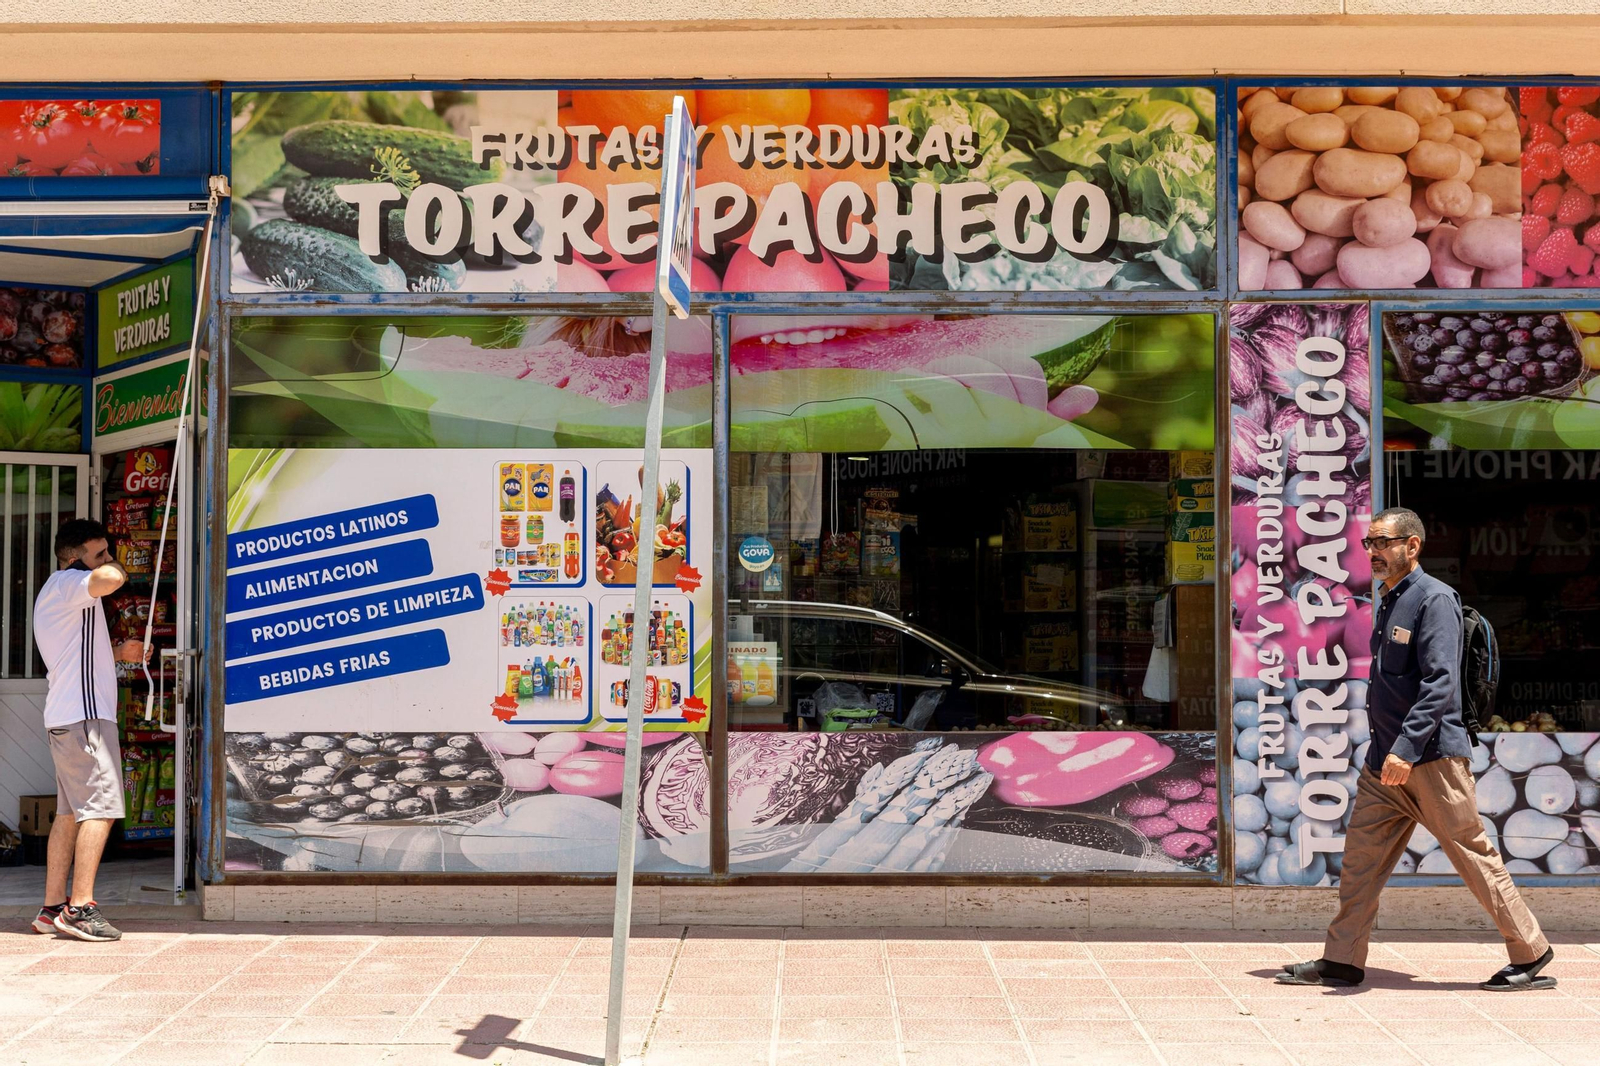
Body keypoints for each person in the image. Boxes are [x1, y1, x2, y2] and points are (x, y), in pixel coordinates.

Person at [1277, 507, 1555, 993]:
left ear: (1412, 545)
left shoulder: (1434, 598)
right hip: (1384, 764)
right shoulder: (1389, 599)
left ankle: (1531, 952)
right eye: (1369, 543)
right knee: (1361, 863)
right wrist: (1388, 752)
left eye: (1383, 542)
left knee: (1472, 855)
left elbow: (1440, 683)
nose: (1373, 552)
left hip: (1430, 760)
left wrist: (1405, 749)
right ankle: (1342, 960)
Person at [30, 519, 147, 943]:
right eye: (99, 552)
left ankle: (52, 908)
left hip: (71, 718)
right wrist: (114, 564)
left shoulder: (64, 592)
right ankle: (80, 908)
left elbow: (78, 653)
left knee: (69, 814)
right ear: (74, 559)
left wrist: (120, 652)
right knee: (102, 808)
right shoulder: (68, 583)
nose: (108, 558)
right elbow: (111, 578)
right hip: (85, 720)